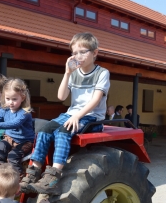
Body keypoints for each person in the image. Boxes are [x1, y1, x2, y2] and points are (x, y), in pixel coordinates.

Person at [20, 32, 110, 194]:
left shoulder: (102, 73)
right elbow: (61, 96)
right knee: (45, 130)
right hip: (71, 113)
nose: (79, 56)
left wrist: (77, 115)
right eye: (75, 53)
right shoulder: (74, 73)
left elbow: (95, 100)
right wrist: (67, 73)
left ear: (95, 53)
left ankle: (53, 176)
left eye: (83, 52)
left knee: (63, 131)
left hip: (91, 116)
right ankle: (34, 171)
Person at [0, 78, 35, 176]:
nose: (10, 102)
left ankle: (19, 179)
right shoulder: (5, 110)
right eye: (8, 99)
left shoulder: (25, 113)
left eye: (14, 99)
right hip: (9, 138)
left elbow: (15, 123)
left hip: (24, 141)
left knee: (12, 157)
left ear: (22, 98)